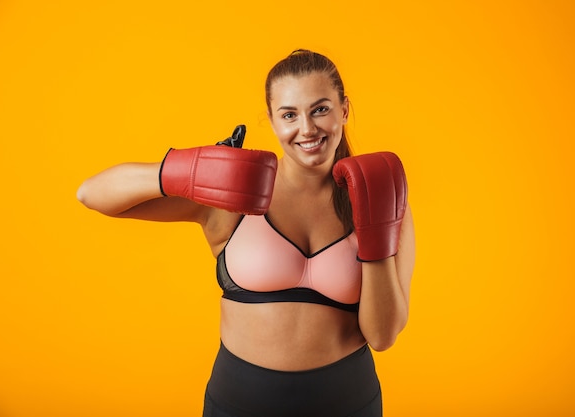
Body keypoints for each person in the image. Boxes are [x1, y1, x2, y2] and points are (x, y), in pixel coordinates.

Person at [77, 49, 415, 417]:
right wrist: (190, 169)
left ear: (344, 109)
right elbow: (91, 195)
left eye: (320, 109)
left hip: (349, 404)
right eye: (289, 114)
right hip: (238, 404)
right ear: (271, 120)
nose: (307, 128)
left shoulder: (382, 195)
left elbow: (382, 336)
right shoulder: (235, 194)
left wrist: (375, 231)